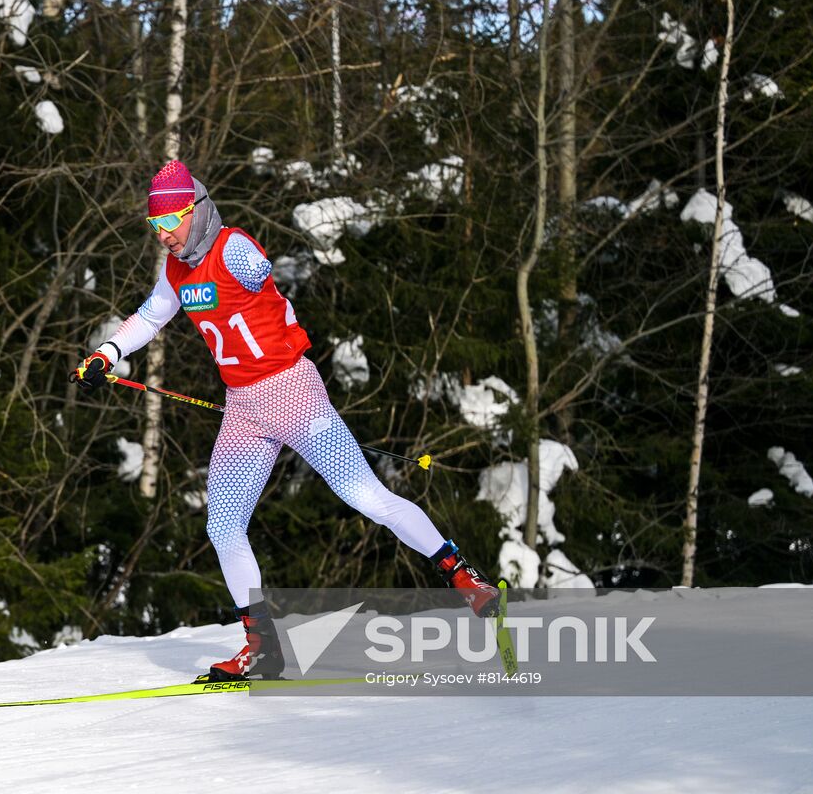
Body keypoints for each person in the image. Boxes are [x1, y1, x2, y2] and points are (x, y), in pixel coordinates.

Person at [71, 160, 500, 682]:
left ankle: (463, 576)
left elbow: (255, 266)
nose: (164, 236)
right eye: (155, 228)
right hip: (245, 410)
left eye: (171, 224)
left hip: (293, 392)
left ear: (196, 212)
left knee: (367, 498)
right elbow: (150, 316)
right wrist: (107, 352)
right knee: (223, 526)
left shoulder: (231, 246)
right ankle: (263, 648)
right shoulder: (176, 270)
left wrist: (253, 267)